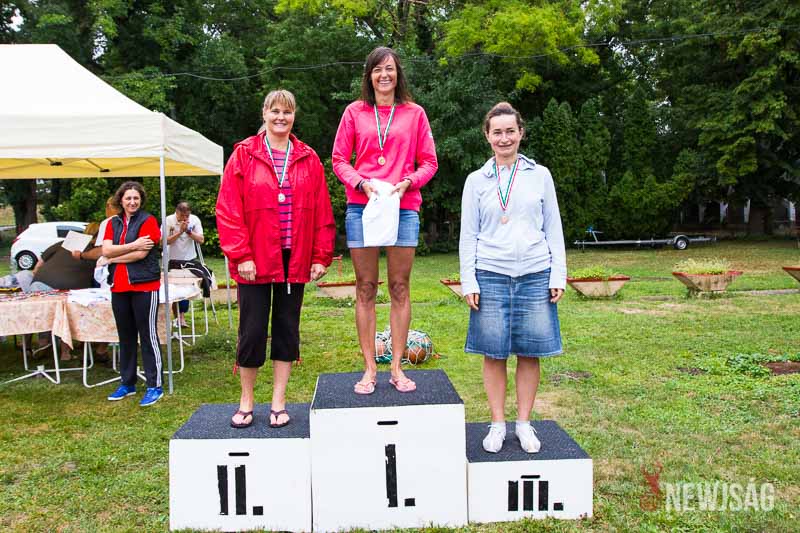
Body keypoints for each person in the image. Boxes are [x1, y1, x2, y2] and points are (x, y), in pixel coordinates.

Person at [217, 89, 335, 429]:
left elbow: (322, 211)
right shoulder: (244, 154)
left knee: (286, 330)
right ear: (264, 114)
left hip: (293, 258)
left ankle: (278, 402)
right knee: (252, 331)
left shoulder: (308, 158)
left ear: (294, 116)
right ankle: (246, 401)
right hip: (254, 259)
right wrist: (241, 254)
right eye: (275, 111)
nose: (281, 117)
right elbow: (228, 209)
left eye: (287, 112)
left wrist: (320, 255)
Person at [459, 102, 567, 454]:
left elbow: (553, 227)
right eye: (497, 132)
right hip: (490, 274)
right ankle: (497, 424)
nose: (504, 138)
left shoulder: (541, 175)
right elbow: (468, 235)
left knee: (529, 352)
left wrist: (558, 273)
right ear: (486, 136)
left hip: (534, 274)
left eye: (510, 131)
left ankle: (523, 423)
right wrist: (469, 280)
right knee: (493, 354)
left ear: (521, 133)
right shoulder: (476, 181)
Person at [332, 46, 438, 395]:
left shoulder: (415, 113)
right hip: (362, 206)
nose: (384, 75)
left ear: (398, 73)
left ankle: (396, 367)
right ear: (369, 75)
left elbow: (430, 162)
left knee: (399, 286)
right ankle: (369, 369)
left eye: (389, 68)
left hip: (403, 207)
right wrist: (361, 183)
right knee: (365, 287)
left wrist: (408, 182)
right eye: (377, 69)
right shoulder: (354, 112)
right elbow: (338, 159)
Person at [102, 181, 164, 407]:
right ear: (121, 200)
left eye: (136, 198)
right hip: (118, 287)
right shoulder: (113, 223)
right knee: (125, 336)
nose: (132, 202)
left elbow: (141, 254)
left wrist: (111, 259)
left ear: (141, 200)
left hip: (144, 285)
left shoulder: (148, 220)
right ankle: (127, 383)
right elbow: (105, 249)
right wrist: (131, 245)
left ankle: (154, 385)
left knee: (148, 335)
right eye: (128, 198)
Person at [163, 201, 210, 327]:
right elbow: (163, 242)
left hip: (189, 259)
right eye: (182, 216)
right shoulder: (168, 220)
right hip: (172, 260)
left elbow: (201, 239)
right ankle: (178, 317)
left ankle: (181, 316)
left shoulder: (194, 220)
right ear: (177, 212)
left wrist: (189, 231)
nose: (185, 218)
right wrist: (179, 232)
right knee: (175, 289)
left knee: (186, 288)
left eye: (187, 216)